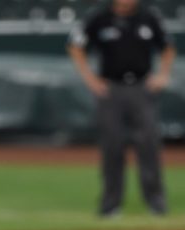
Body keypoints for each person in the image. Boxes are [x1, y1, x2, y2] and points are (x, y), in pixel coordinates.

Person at [67, 0, 176, 217]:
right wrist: (90, 79)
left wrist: (163, 74)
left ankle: (156, 203)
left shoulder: (148, 17)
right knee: (112, 147)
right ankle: (110, 205)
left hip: (141, 88)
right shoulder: (99, 18)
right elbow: (75, 45)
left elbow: (168, 47)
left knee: (148, 145)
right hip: (111, 89)